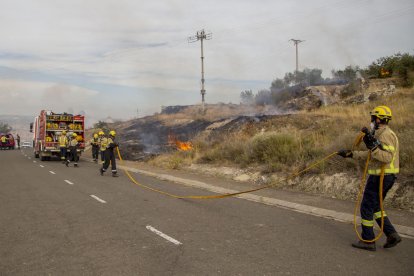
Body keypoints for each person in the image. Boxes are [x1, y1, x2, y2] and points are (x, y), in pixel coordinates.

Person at [338, 105, 401, 251]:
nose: (371, 120)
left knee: (366, 206)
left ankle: (368, 241)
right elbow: (372, 156)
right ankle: (392, 234)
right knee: (376, 207)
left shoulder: (385, 135)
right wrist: (351, 154)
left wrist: (373, 146)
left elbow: (386, 157)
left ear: (378, 119)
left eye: (373, 118)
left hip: (381, 177)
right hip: (384, 176)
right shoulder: (381, 133)